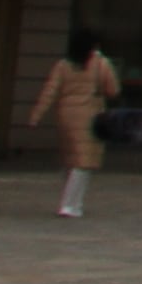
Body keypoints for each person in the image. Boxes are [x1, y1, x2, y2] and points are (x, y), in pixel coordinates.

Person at [27, 28, 119, 220]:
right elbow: (113, 90)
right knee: (83, 162)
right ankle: (70, 204)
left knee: (71, 158)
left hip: (66, 114)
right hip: (89, 115)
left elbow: (50, 91)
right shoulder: (101, 64)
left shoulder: (63, 65)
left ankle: (71, 201)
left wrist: (36, 115)